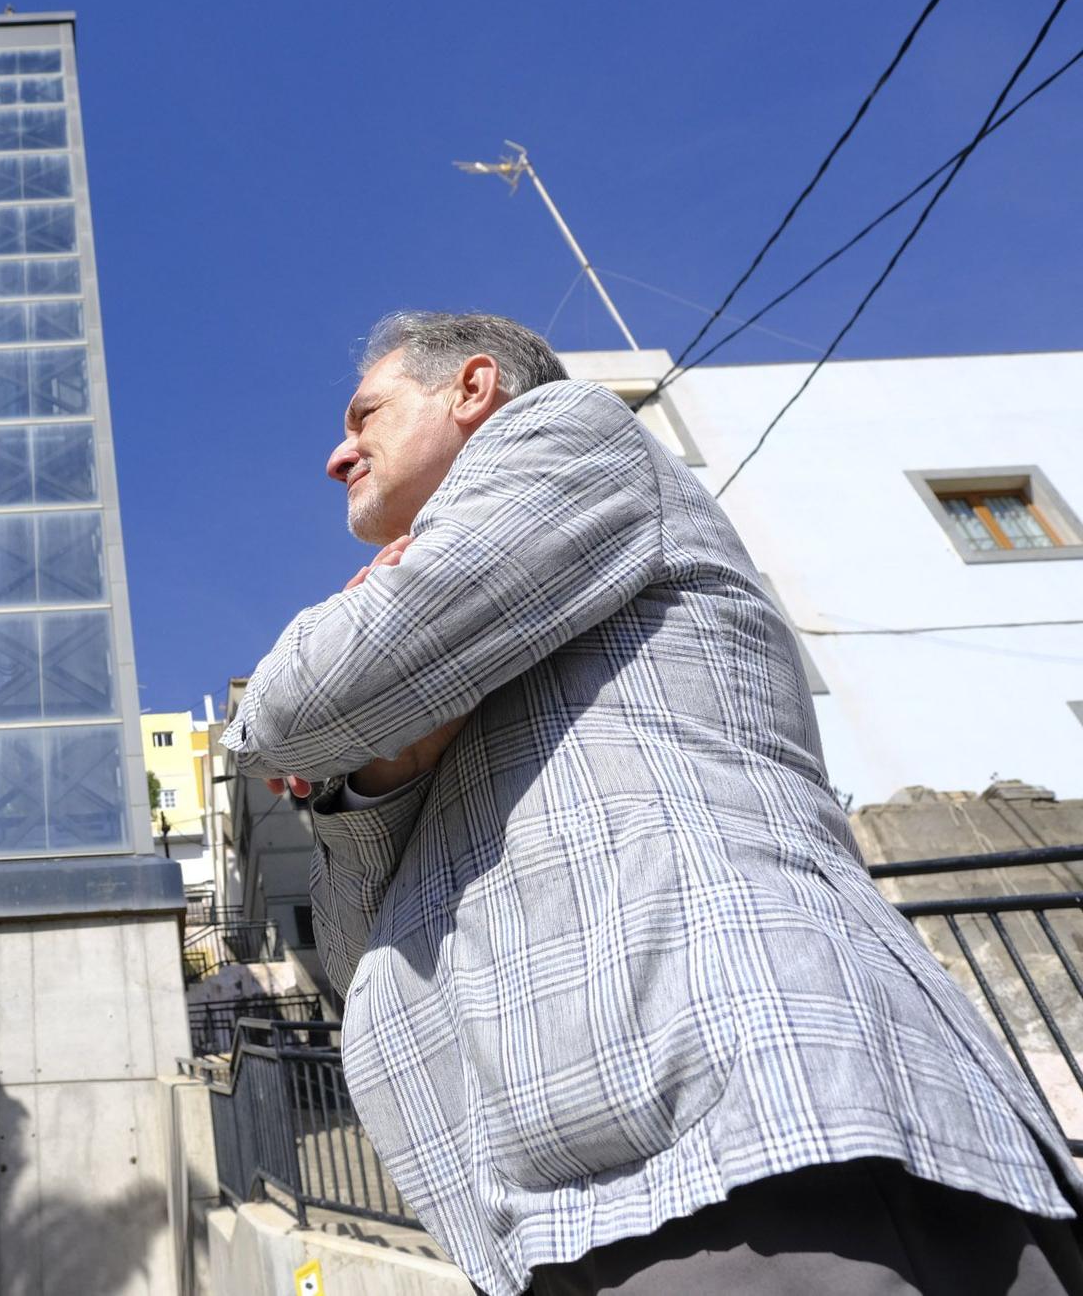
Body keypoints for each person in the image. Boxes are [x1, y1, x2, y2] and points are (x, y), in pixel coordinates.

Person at [224, 312, 1083, 1295]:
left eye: (364, 413)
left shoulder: (566, 436)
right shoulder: (473, 622)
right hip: (575, 1201)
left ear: (471, 389)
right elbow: (356, 952)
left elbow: (290, 705)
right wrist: (385, 768)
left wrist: (356, 685)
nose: (338, 455)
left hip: (749, 1138)